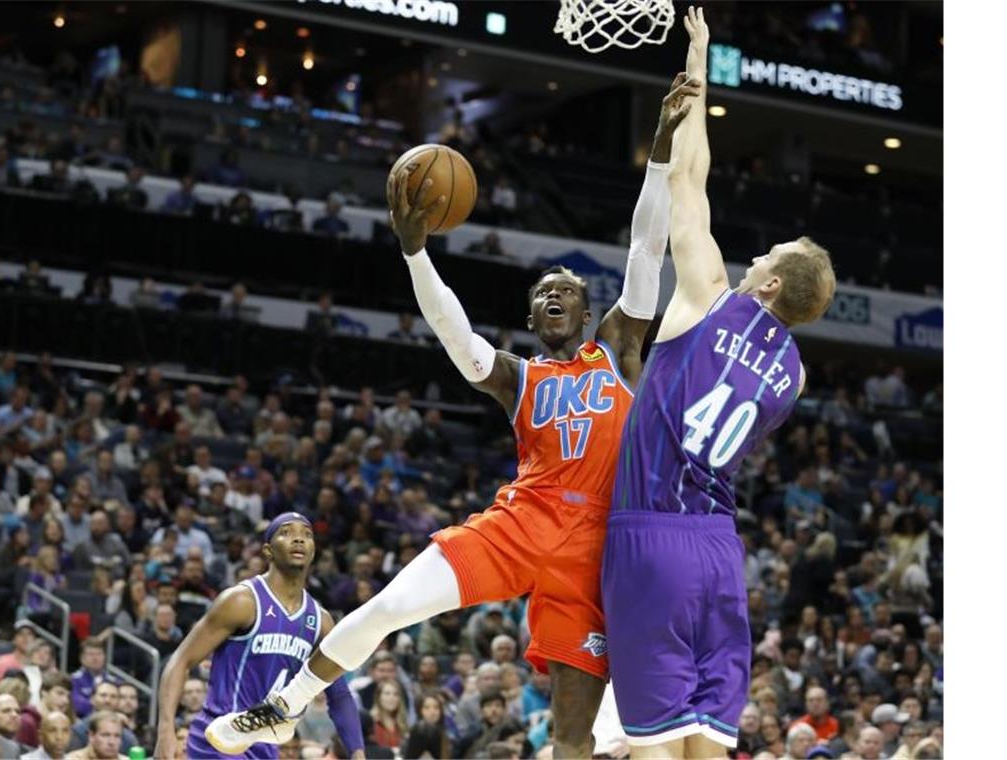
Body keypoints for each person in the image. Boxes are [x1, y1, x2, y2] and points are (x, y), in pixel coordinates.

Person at [209, 72, 701, 760]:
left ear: (589, 313)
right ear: (533, 318)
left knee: (572, 738)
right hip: (521, 524)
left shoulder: (617, 351)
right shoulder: (518, 378)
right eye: (543, 294)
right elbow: (455, 333)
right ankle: (282, 708)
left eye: (567, 291)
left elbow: (648, 249)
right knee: (387, 608)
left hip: (598, 549)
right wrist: (415, 252)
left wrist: (660, 149)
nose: (554, 296)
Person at [600, 9, 837, 758]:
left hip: (654, 536)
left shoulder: (710, 298)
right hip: (719, 553)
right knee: (705, 740)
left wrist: (697, 64)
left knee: (652, 745)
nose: (757, 254)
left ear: (768, 286)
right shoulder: (794, 373)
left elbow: (689, 184)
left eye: (768, 254)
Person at [153, 513, 366, 759]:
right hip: (218, 740)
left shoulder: (320, 620)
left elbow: (338, 694)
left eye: (306, 535)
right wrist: (166, 730)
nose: (298, 539)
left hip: (266, 747)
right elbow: (181, 660)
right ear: (268, 550)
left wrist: (357, 752)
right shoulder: (242, 601)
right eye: (286, 532)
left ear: (313, 551)